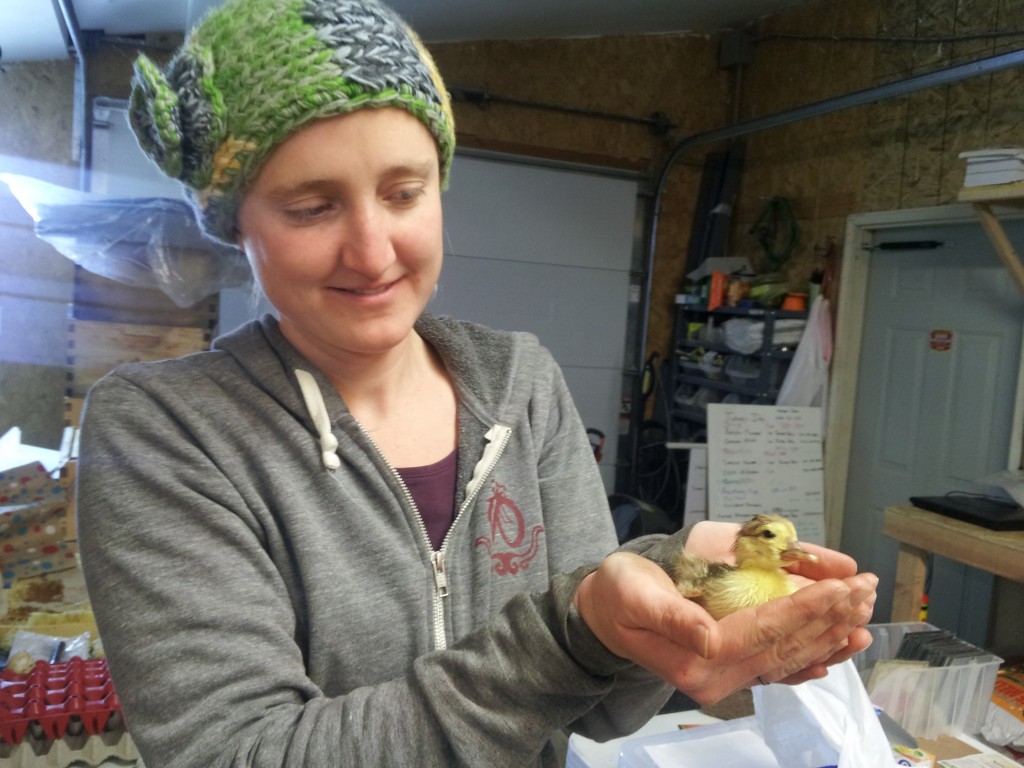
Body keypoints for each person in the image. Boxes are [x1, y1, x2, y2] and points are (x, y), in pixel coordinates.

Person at [75, 0, 878, 766]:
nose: (372, 250)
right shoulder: (165, 431)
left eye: (403, 192)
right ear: (236, 223)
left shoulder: (517, 382)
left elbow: (602, 708)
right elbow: (239, 754)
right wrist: (567, 633)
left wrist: (671, 589)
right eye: (312, 206)